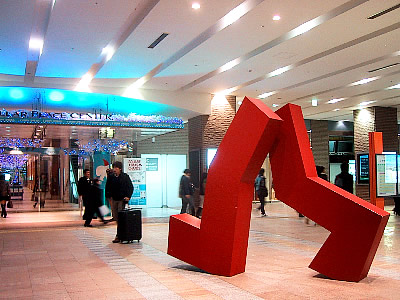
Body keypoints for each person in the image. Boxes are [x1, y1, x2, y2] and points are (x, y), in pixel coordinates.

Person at [105, 161, 133, 243]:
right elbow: (108, 186)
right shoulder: (112, 177)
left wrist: (128, 196)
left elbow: (130, 187)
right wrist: (108, 197)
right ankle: (120, 234)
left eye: (116, 168)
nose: (115, 169)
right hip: (114, 199)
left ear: (120, 168)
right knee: (116, 218)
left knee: (121, 218)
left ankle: (119, 235)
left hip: (122, 199)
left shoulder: (125, 177)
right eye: (114, 167)